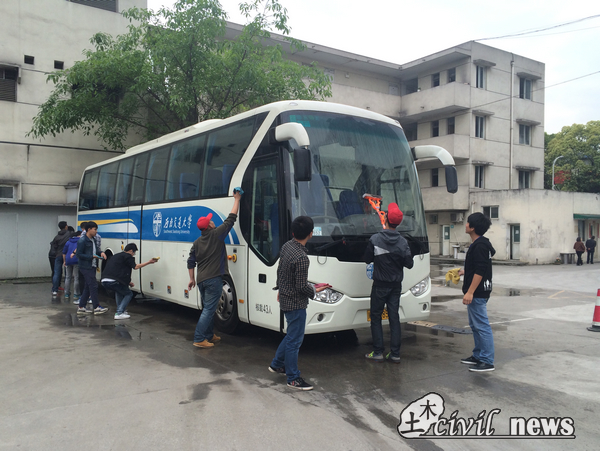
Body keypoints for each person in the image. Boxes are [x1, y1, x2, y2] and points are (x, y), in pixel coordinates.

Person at [268, 216, 328, 391]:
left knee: (291, 335)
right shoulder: (302, 257)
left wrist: (280, 288)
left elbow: (281, 272)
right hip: (296, 303)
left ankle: (277, 364)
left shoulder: (287, 246)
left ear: (293, 232)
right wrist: (315, 290)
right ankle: (293, 378)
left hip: (286, 298)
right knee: (294, 340)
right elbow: (301, 286)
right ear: (311, 233)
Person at [187, 191, 242, 348]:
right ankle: (199, 338)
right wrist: (237, 199)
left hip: (201, 280)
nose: (212, 221)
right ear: (209, 226)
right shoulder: (217, 234)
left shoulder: (197, 242)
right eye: (210, 221)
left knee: (208, 308)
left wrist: (191, 279)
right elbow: (231, 218)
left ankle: (209, 335)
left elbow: (190, 262)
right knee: (209, 310)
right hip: (213, 279)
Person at [363, 203, 414, 363]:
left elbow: (367, 259)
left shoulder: (375, 239)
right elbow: (409, 264)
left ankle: (378, 352)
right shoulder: (403, 242)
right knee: (394, 318)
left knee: (376, 317)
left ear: (385, 219)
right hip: (395, 286)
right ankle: (395, 354)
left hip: (379, 285)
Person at [458, 212, 496, 372]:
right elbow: (479, 267)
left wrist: (470, 292)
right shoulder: (481, 244)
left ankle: (487, 360)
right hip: (479, 291)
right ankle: (478, 355)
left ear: (473, 227)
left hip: (478, 292)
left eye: (468, 223)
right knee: (475, 325)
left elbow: (480, 271)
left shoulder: (480, 246)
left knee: (481, 326)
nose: (466, 225)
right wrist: (465, 271)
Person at [101, 244, 158, 320]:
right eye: (134, 252)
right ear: (131, 251)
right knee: (129, 294)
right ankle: (120, 312)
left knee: (119, 291)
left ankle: (121, 311)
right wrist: (149, 262)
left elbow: (118, 272)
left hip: (104, 280)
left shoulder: (117, 256)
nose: (134, 254)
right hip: (113, 281)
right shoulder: (128, 256)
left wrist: (128, 282)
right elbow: (136, 267)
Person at [75, 221, 108, 315]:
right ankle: (96, 307)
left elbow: (96, 250)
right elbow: (79, 254)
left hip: (92, 266)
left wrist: (101, 252)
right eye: (95, 229)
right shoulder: (82, 241)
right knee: (93, 285)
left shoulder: (93, 239)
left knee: (88, 286)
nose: (96, 231)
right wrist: (91, 257)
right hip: (85, 266)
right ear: (89, 229)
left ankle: (81, 307)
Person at [49, 221, 72, 295]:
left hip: (58, 255)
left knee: (56, 273)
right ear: (66, 226)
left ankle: (54, 290)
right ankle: (66, 290)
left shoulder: (57, 236)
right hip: (67, 255)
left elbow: (54, 246)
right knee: (67, 274)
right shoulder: (69, 234)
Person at [62, 230, 82, 303]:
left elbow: (64, 253)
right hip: (76, 260)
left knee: (68, 277)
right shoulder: (80, 241)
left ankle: (66, 293)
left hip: (68, 260)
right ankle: (76, 294)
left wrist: (64, 261)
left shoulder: (68, 242)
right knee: (76, 277)